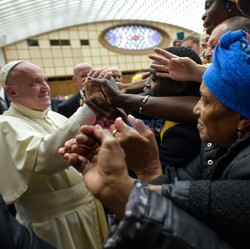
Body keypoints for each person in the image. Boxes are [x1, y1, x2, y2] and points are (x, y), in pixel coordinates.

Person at [59, 30, 250, 249]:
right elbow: (176, 186)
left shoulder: (197, 140)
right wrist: (116, 181)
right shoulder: (212, 146)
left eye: (205, 102)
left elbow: (198, 218)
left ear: (243, 120)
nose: (195, 109)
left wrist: (142, 172)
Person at [0, 60, 108, 249]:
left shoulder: (54, 116)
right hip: (53, 222)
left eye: (45, 80)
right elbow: (44, 157)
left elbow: (83, 133)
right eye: (35, 82)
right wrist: (92, 106)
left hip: (89, 207)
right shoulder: (5, 124)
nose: (45, 88)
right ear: (12, 92)